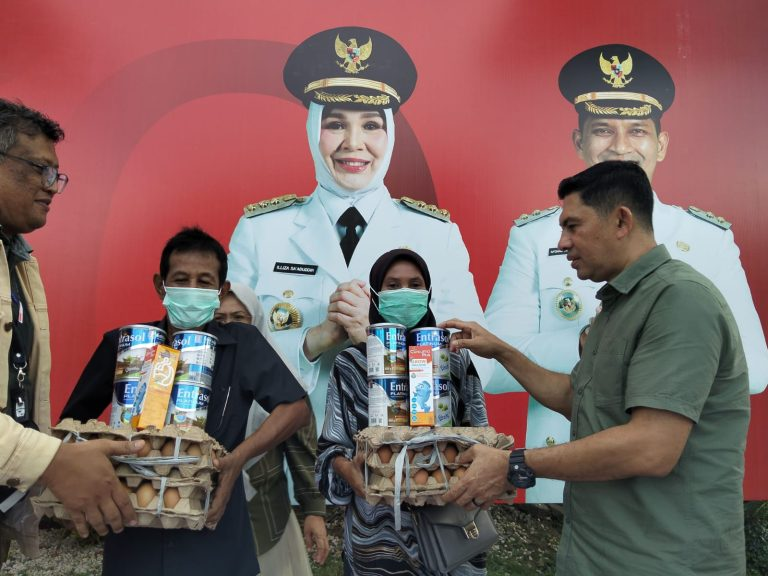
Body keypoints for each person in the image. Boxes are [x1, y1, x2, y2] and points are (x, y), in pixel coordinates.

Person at [483, 43, 768, 503]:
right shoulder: (537, 236)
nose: (620, 146)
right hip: (561, 477)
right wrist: (581, 342)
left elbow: (754, 369)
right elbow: (489, 370)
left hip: (670, 481)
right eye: (602, 130)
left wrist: (633, 342)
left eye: (637, 130)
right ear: (579, 142)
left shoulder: (707, 238)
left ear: (662, 144)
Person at [444, 161, 749, 576]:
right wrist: (502, 351)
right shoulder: (616, 306)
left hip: (663, 561)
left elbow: (652, 446)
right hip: (597, 554)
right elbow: (580, 400)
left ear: (621, 220)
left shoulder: (680, 301)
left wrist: (515, 464)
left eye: (573, 226)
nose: (562, 241)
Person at [227, 26, 490, 433]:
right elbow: (226, 361)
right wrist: (313, 341)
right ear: (314, 129)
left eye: (371, 125)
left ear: (390, 133)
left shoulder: (437, 235)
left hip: (402, 457)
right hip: (286, 457)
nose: (353, 143)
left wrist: (380, 339)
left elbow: (478, 364)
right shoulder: (260, 231)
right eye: (335, 124)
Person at [60, 227, 310, 576]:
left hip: (215, 531)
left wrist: (238, 459)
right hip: (135, 532)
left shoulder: (242, 344)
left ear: (221, 291)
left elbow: (296, 408)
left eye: (204, 281)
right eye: (181, 279)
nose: (192, 290)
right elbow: (73, 424)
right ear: (160, 284)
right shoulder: (125, 344)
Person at [0, 99, 144, 563]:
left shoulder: (18, 260)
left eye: (56, 175)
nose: (52, 187)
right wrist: (50, 461)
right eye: (41, 169)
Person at [316, 248, 488, 576]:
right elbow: (331, 449)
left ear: (429, 293)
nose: (404, 292)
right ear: (377, 296)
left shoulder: (455, 361)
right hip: (376, 540)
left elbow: (481, 439)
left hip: (449, 532)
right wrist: (350, 473)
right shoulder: (350, 364)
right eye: (393, 286)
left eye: (415, 283)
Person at [214, 283, 329, 573]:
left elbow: (302, 449)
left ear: (256, 321)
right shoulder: (197, 375)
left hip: (266, 516)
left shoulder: (277, 374)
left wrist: (314, 512)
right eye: (220, 320)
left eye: (239, 318)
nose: (230, 327)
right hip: (207, 516)